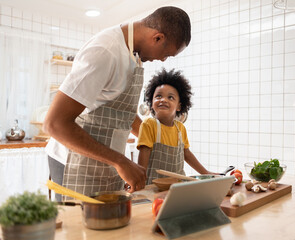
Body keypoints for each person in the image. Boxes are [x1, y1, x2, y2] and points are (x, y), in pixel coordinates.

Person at [43, 6, 191, 201]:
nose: (162, 60)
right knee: (79, 229)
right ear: (157, 38)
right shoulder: (105, 51)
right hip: (73, 163)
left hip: (105, 163)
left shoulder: (134, 55)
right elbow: (54, 124)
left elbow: (120, 113)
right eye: (167, 55)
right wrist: (121, 161)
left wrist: (161, 139)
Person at [137, 68, 213, 185]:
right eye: (158, 96)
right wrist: (139, 182)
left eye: (170, 97)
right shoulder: (149, 125)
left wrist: (205, 173)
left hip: (177, 187)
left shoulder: (180, 128)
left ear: (179, 106)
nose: (163, 100)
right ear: (151, 103)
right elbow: (142, 162)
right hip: (153, 188)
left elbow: (186, 154)